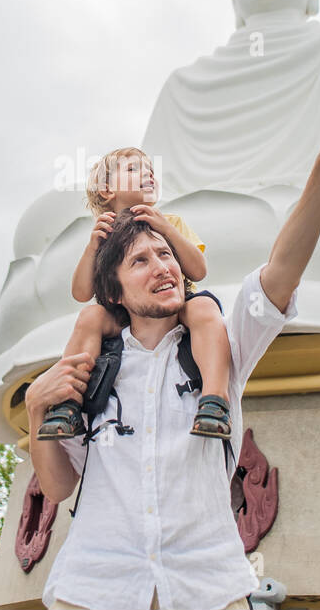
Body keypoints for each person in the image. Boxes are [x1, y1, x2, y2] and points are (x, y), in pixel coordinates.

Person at [25, 70, 320, 609]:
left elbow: (281, 269)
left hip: (209, 586)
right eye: (141, 260)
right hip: (94, 588)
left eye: (166, 254)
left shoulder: (214, 341)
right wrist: (35, 411)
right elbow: (56, 488)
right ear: (113, 289)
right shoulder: (93, 367)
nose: (163, 266)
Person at [35, 146, 234, 442]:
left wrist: (164, 227)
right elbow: (81, 293)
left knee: (204, 307)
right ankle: (67, 403)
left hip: (173, 302)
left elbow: (198, 270)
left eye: (150, 169)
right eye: (133, 169)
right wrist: (93, 247)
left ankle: (215, 400)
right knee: (90, 315)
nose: (147, 173)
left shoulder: (170, 222)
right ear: (106, 190)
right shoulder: (103, 232)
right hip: (124, 312)